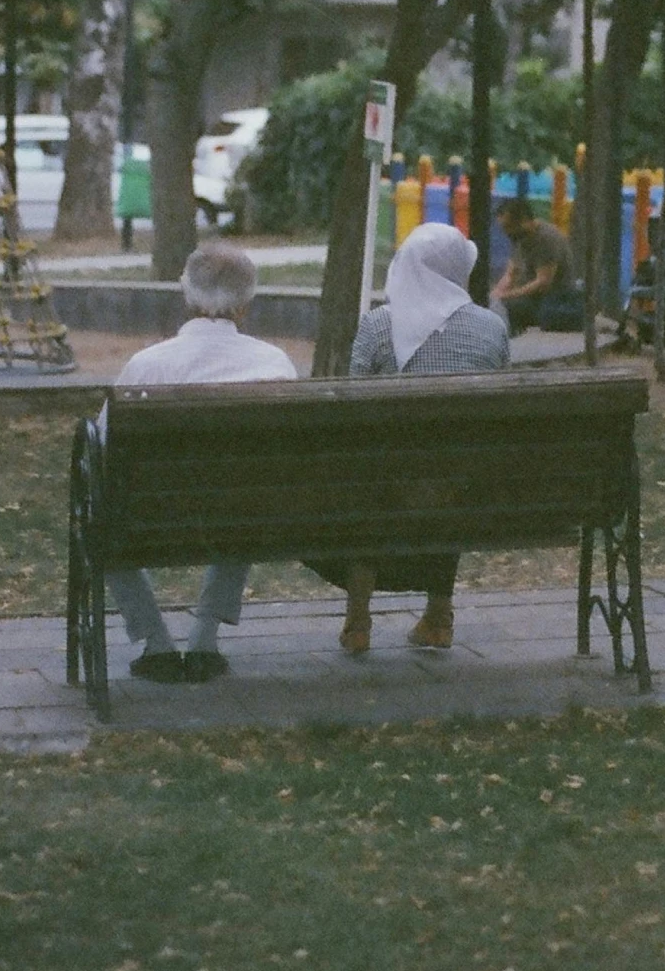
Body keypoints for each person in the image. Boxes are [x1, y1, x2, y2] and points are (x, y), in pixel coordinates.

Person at [310, 222, 510, 657]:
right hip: (469, 490)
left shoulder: (380, 326)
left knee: (375, 474)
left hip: (384, 486)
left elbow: (354, 405)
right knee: (451, 463)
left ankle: (358, 621)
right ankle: (438, 615)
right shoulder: (491, 328)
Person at [108, 238, 297, 685]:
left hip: (149, 516)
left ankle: (156, 644)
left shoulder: (146, 367)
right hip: (247, 515)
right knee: (243, 497)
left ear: (187, 296)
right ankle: (204, 641)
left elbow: (104, 445)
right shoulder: (274, 365)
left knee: (103, 514)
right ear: (246, 305)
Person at [490, 197, 573, 334]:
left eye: (508, 227)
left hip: (551, 301)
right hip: (530, 298)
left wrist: (507, 296)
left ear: (524, 220)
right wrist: (493, 296)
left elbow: (543, 283)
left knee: (506, 308)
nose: (506, 232)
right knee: (494, 306)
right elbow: (510, 274)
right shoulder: (520, 238)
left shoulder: (545, 239)